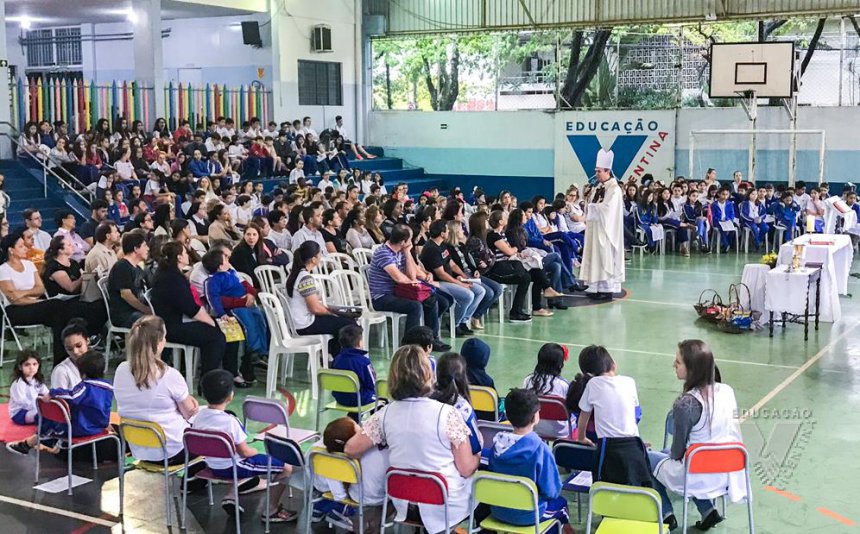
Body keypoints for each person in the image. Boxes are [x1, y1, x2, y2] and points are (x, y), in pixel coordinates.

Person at [345, 346, 479, 534]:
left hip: (403, 499)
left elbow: (351, 448)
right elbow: (466, 468)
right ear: (427, 374)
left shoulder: (385, 414)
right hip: (444, 503)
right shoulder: (448, 414)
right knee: (478, 481)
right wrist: (478, 457)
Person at [649, 340, 745, 531]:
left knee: (645, 458)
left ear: (691, 369)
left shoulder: (686, 403)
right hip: (726, 471)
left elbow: (677, 453)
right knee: (669, 453)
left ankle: (666, 514)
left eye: (678, 362)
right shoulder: (726, 390)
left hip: (696, 474)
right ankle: (708, 510)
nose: (673, 365)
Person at [192, 370, 297, 522]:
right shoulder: (230, 422)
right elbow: (245, 453)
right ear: (230, 396)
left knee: (249, 462)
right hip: (234, 466)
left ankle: (231, 496)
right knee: (286, 467)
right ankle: (272, 510)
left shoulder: (199, 416)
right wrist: (255, 450)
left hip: (211, 464)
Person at [114, 316, 203, 469]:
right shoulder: (169, 375)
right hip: (172, 451)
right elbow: (189, 413)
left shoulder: (121, 369)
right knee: (221, 420)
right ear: (159, 342)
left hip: (138, 448)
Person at [487, 388, 573, 533]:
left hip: (499, 510)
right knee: (562, 505)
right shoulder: (540, 449)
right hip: (529, 515)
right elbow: (552, 491)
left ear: (507, 414)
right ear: (535, 417)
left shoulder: (496, 446)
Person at [150, 241, 233, 388]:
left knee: (223, 327)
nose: (188, 255)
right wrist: (211, 322)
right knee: (215, 336)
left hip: (178, 318)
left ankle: (227, 373)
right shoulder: (171, 279)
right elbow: (191, 309)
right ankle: (208, 383)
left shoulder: (172, 274)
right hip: (173, 325)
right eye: (185, 253)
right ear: (179, 258)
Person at [7, 351, 111, 456]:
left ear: (82, 371)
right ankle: (37, 442)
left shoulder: (84, 387)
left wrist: (54, 392)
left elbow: (71, 396)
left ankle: (31, 443)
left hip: (82, 428)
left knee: (49, 419)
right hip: (99, 427)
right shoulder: (109, 387)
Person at [0, 231, 82, 364]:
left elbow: (40, 288)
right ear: (11, 250)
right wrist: (32, 297)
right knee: (57, 306)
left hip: (36, 305)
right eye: (21, 246)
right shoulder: (3, 270)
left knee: (61, 314)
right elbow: (13, 298)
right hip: (15, 310)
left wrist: (23, 293)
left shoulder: (29, 265)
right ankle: (64, 358)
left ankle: (62, 359)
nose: (26, 248)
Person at [367, 224, 450, 350]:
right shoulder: (383, 253)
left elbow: (412, 274)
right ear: (403, 242)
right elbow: (400, 278)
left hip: (399, 291)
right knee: (414, 306)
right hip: (383, 296)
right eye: (410, 240)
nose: (411, 242)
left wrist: (407, 252)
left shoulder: (401, 251)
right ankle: (410, 345)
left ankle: (431, 339)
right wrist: (414, 282)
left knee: (435, 300)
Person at [202, 247, 268, 383]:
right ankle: (251, 356)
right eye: (225, 258)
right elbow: (214, 299)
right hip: (236, 309)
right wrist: (222, 313)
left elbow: (244, 284)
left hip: (247, 303)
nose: (228, 260)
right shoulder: (214, 280)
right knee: (249, 326)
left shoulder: (231, 272)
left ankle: (262, 351)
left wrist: (251, 294)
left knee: (262, 320)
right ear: (220, 266)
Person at [312, 418, 389, 531]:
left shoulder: (324, 452)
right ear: (350, 441)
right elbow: (340, 496)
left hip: (320, 485)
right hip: (345, 495)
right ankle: (342, 512)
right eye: (358, 428)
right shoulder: (347, 461)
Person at [285, 241, 357, 356]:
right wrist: (333, 313)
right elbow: (315, 308)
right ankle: (345, 359)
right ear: (314, 259)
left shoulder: (295, 274)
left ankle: (334, 357)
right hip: (305, 324)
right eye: (320, 254)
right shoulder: (305, 278)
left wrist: (333, 311)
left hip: (299, 321)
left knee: (343, 321)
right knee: (350, 325)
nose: (321, 256)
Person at [421, 220, 486, 337]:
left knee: (480, 291)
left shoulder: (442, 245)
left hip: (449, 279)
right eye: (447, 229)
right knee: (468, 295)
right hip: (438, 282)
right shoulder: (431, 249)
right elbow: (441, 274)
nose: (449, 231)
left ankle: (463, 321)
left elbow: (452, 264)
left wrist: (466, 277)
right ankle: (454, 324)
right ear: (442, 233)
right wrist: (460, 284)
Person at [581, 148, 625, 301]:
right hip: (595, 227)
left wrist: (592, 207)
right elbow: (591, 203)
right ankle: (595, 286)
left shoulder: (614, 189)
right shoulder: (598, 187)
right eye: (596, 171)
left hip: (606, 229)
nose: (597, 174)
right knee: (595, 257)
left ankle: (607, 290)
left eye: (599, 171)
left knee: (604, 257)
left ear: (607, 171)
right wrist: (587, 202)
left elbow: (609, 208)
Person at [444, 220, 501, 331]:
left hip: (471, 274)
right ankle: (464, 319)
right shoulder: (448, 248)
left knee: (498, 289)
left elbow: (469, 261)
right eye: (460, 229)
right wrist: (462, 276)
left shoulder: (461, 245)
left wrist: (476, 270)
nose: (463, 231)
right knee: (486, 292)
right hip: (461, 276)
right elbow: (452, 267)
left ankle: (474, 315)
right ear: (455, 231)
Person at [432, 352, 482, 455]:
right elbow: (475, 447)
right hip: (457, 462)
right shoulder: (464, 408)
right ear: (464, 376)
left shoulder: (426, 399)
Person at [522, 343, 570, 439]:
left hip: (533, 427)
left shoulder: (528, 380)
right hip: (559, 431)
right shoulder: (564, 385)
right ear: (560, 364)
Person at [107, 230, 151, 328]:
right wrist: (146, 310)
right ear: (136, 248)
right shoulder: (122, 267)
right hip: (125, 315)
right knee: (154, 321)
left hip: (135, 311)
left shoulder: (137, 267)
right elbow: (126, 295)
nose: (148, 248)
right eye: (144, 245)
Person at [330, 325, 376, 412]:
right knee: (381, 397)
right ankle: (374, 423)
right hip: (359, 399)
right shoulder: (364, 362)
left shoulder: (337, 359)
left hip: (340, 398)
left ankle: (354, 419)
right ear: (359, 342)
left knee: (357, 394)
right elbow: (372, 384)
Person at [7, 350, 49, 428]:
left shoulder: (36, 380)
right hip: (20, 413)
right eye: (27, 365)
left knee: (50, 411)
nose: (31, 367)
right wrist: (39, 406)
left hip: (33, 408)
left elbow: (46, 392)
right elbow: (22, 402)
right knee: (42, 414)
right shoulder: (18, 384)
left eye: (34, 364)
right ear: (20, 367)